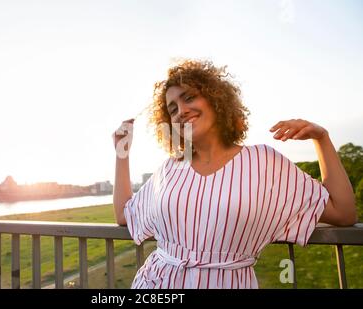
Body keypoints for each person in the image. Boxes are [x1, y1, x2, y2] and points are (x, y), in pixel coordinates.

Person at [112, 59, 357, 289]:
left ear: (216, 100)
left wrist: (321, 139)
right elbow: (126, 215)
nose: (181, 111)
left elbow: (343, 212)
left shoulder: (265, 162)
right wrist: (121, 153)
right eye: (172, 108)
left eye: (189, 98)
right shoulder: (170, 168)